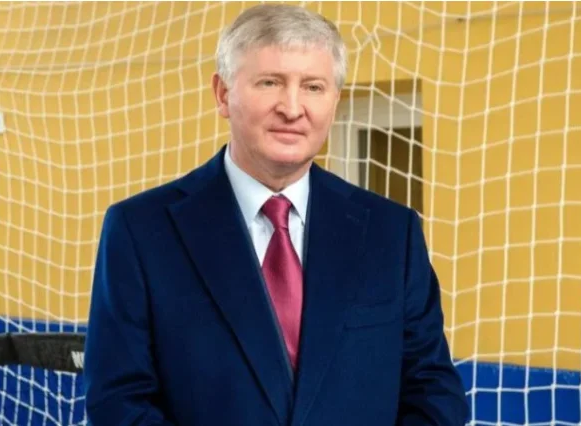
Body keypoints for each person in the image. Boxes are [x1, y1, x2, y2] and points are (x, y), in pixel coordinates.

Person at [83, 4, 469, 425]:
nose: (292, 107)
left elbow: (433, 392)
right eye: (270, 82)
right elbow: (119, 404)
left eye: (313, 87)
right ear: (223, 94)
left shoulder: (391, 233)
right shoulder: (141, 231)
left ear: (334, 101)